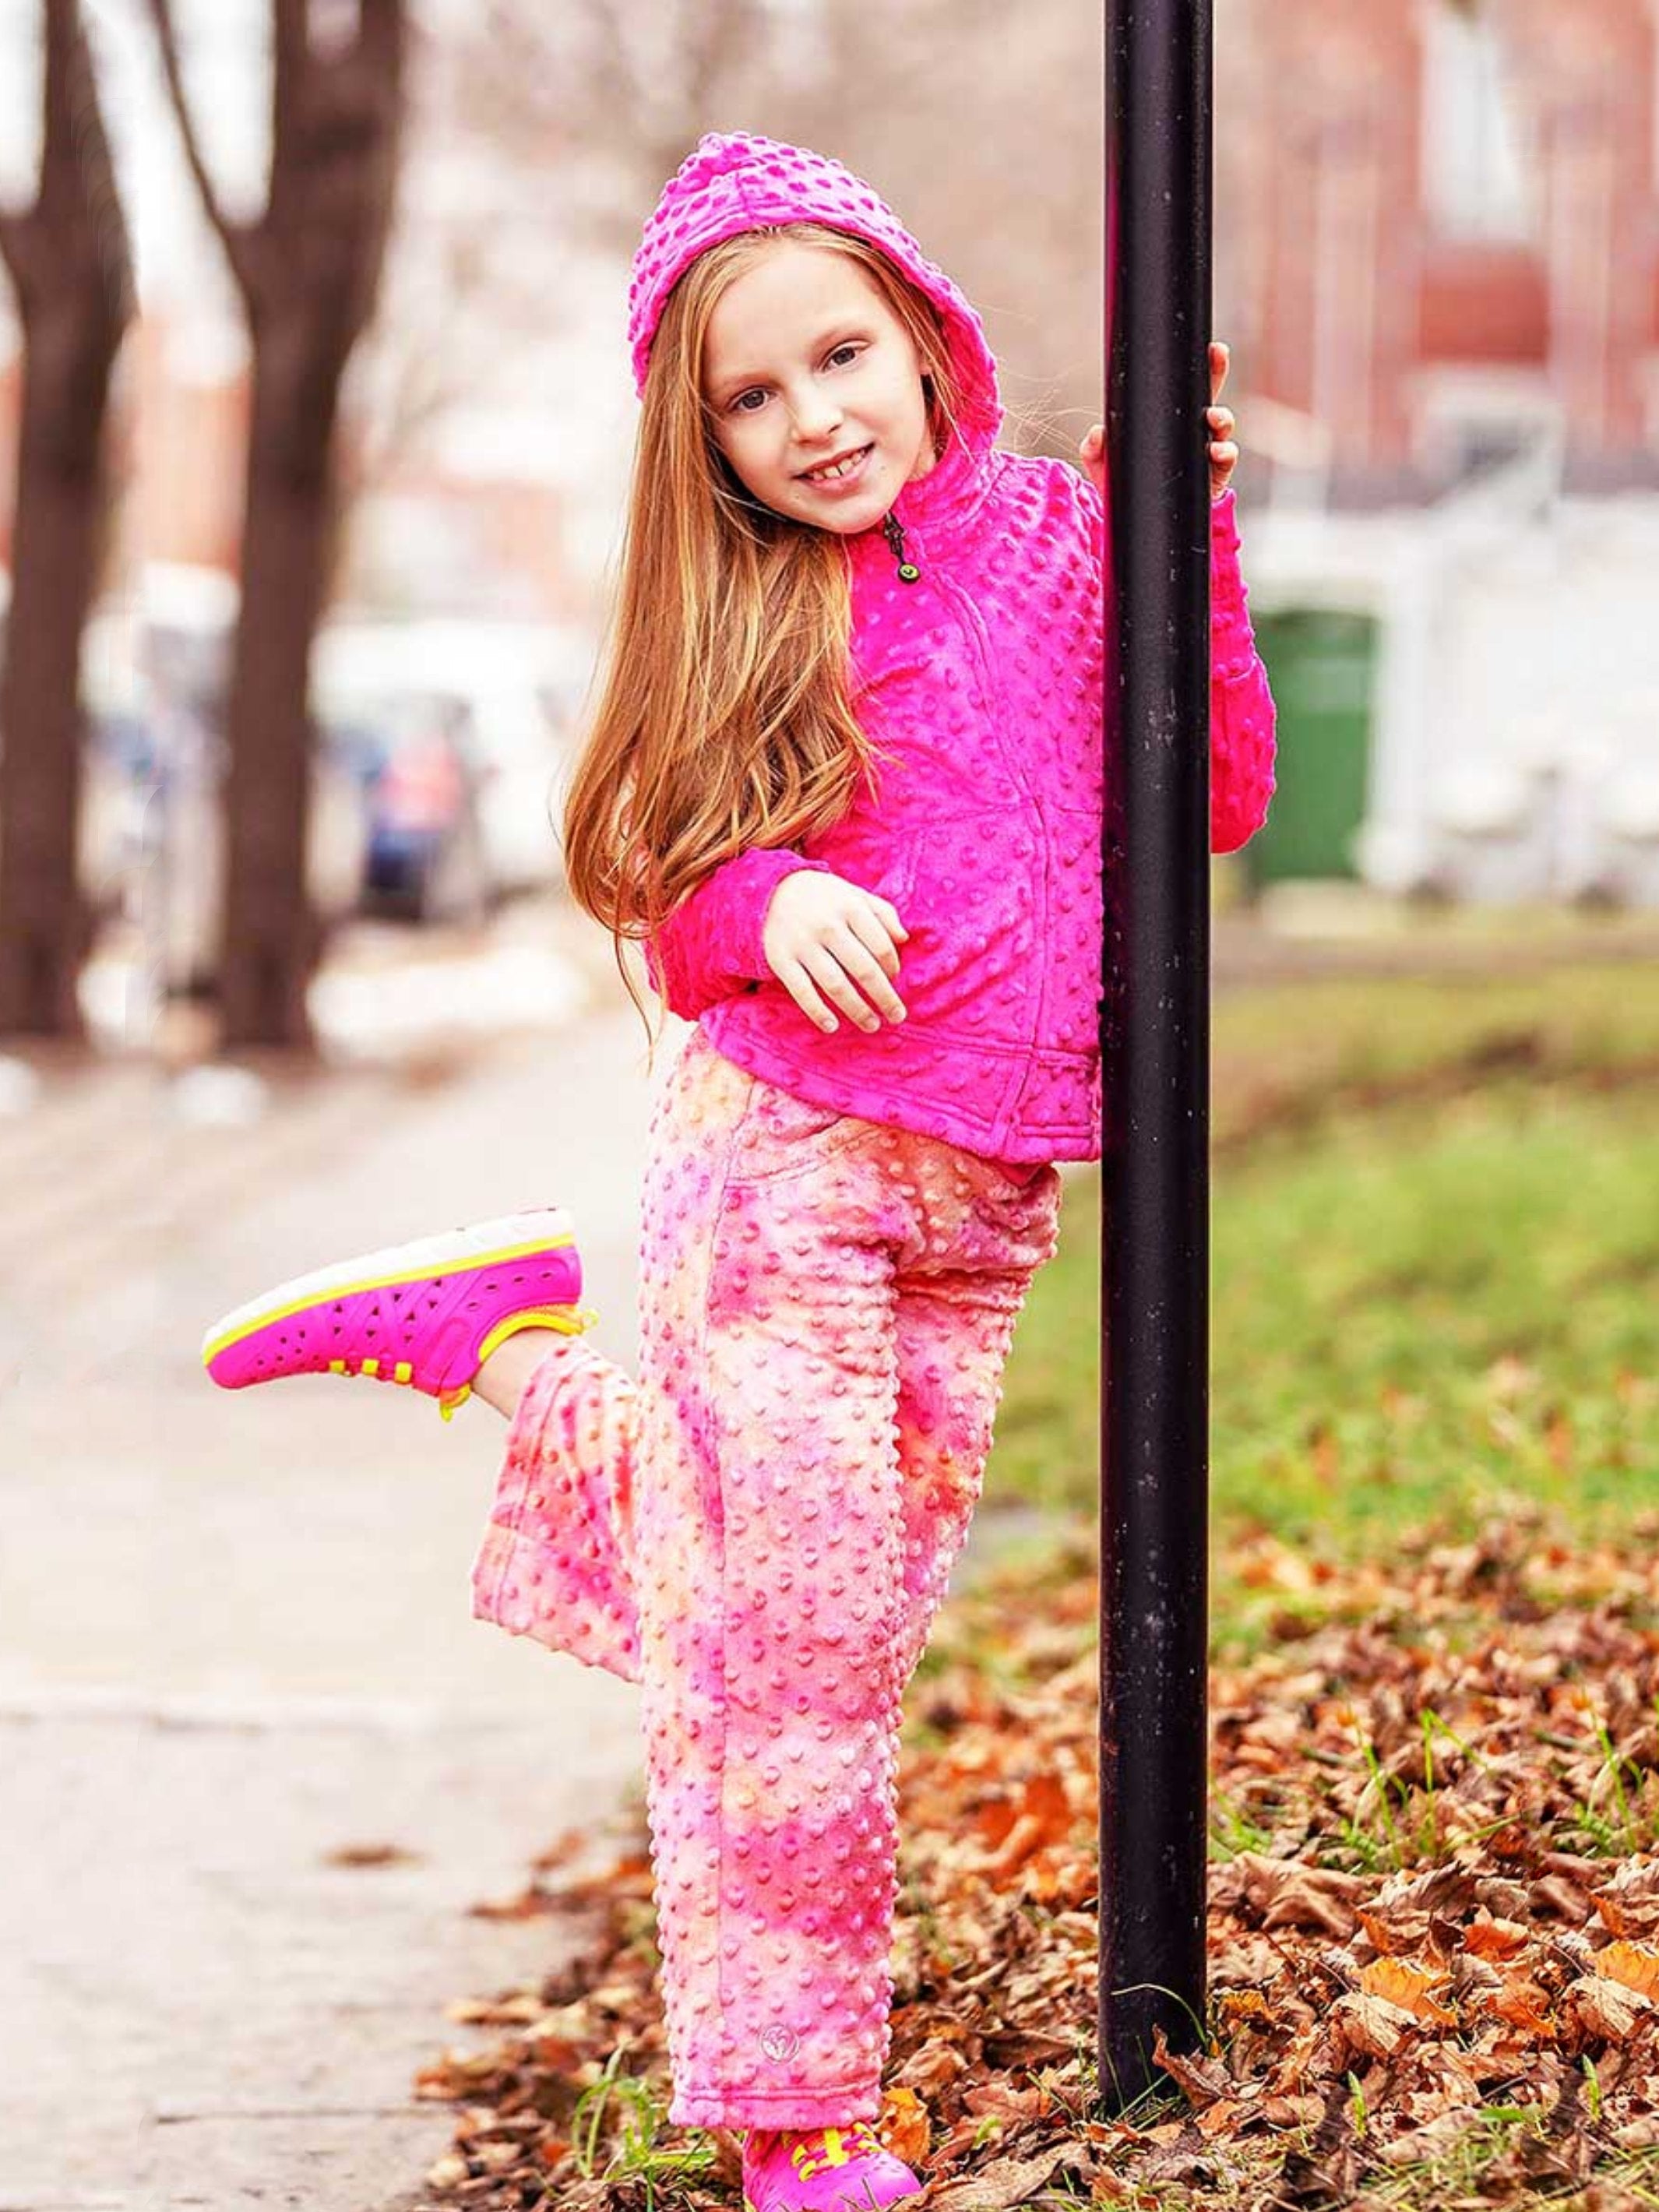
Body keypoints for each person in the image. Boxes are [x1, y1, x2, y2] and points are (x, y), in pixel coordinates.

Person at [199, 132, 1276, 2212]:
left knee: (811, 1617)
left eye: (839, 356)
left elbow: (1213, 792)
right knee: (788, 1657)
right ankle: (795, 2126)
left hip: (992, 1206)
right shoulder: (745, 613)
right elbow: (648, 864)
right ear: (703, 448)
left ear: (926, 334)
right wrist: (763, 899)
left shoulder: (1063, 545)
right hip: (785, 1163)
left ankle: (494, 1355)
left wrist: (1191, 532)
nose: (814, 421)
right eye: (752, 401)